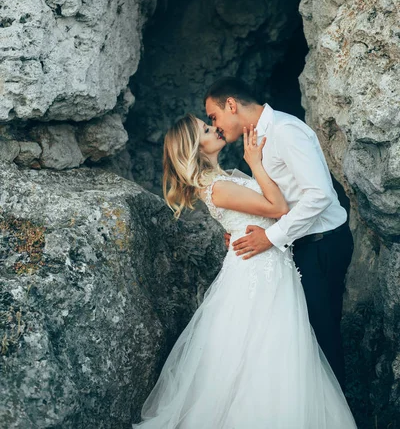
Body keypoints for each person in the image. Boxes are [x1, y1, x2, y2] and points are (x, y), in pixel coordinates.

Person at [132, 113, 357, 428]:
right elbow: (277, 207)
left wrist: (238, 230)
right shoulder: (217, 186)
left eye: (210, 124)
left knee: (274, 349)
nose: (215, 129)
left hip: (270, 265)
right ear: (195, 148)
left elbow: (261, 215)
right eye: (206, 130)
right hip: (259, 271)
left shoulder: (221, 179)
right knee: (263, 348)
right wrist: (255, 163)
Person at [204, 77, 354, 389]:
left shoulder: (285, 131)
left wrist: (269, 238)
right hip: (298, 247)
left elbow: (319, 195)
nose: (215, 126)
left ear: (231, 105)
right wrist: (243, 229)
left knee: (322, 342)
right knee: (299, 345)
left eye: (213, 117)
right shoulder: (256, 139)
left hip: (321, 245)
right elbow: (273, 201)